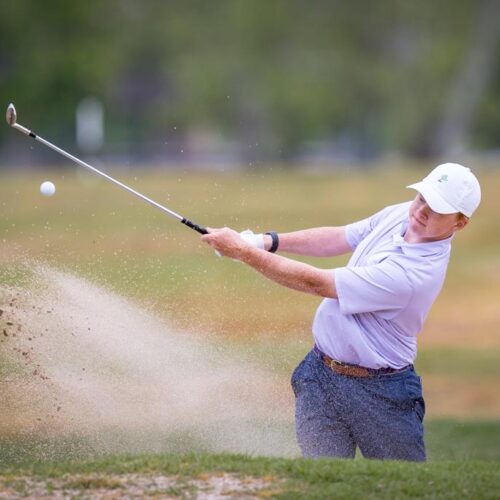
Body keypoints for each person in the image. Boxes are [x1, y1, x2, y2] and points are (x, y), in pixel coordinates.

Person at [201, 163, 481, 461]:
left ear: (459, 223)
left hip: (381, 393)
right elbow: (342, 237)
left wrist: (244, 252)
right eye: (422, 197)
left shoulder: (414, 276)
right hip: (320, 375)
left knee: (400, 486)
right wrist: (263, 242)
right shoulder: (406, 213)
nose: (422, 210)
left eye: (436, 208)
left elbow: (316, 282)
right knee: (324, 479)